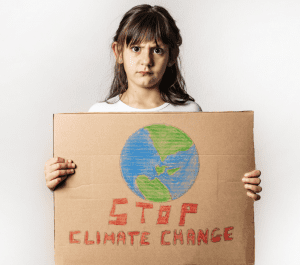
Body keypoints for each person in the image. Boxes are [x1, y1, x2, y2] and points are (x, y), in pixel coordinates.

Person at [44, 4, 262, 201]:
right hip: (120, 234)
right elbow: (90, 186)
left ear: (172, 56)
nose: (146, 61)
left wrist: (239, 185)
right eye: (136, 48)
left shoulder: (189, 113)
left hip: (172, 233)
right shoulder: (99, 115)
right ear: (118, 52)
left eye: (157, 50)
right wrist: (58, 177)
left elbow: (202, 182)